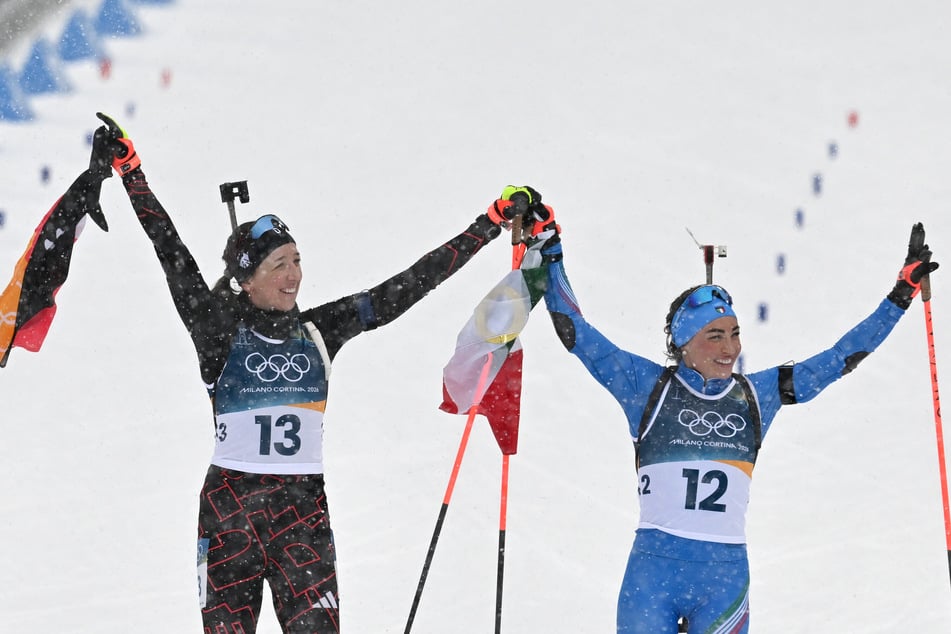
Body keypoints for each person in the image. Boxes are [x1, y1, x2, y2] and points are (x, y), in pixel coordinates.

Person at [90, 112, 519, 633]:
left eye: (296, 259)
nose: (294, 276)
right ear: (246, 280)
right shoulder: (215, 331)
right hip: (231, 516)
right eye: (278, 265)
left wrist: (489, 225)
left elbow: (405, 286)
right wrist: (132, 173)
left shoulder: (320, 330)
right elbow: (171, 252)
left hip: (302, 514)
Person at [519, 187, 937, 633]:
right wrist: (551, 249)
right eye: (714, 336)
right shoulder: (646, 386)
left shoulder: (758, 394)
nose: (730, 349)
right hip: (652, 576)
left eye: (734, 333)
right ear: (684, 342)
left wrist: (900, 295)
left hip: (723, 579)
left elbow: (840, 358)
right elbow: (574, 331)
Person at [1, 128, 112, 367]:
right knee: (46, 256)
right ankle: (92, 181)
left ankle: (91, 181)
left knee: (44, 255)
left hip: (23, 296)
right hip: (23, 299)